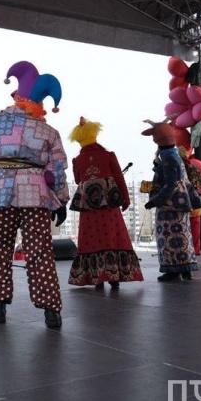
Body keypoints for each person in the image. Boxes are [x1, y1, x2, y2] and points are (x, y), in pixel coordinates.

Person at [0, 61, 69, 329]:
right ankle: (51, 311)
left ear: (17, 95)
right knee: (40, 252)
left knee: (1, 249)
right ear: (40, 103)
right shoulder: (49, 132)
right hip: (36, 196)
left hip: (1, 192)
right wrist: (61, 200)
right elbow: (56, 169)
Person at [67, 117, 144, 290]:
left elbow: (78, 180)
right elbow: (119, 178)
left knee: (91, 239)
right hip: (109, 204)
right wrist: (126, 198)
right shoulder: (108, 155)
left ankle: (97, 277)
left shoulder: (77, 160)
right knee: (112, 238)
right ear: (95, 136)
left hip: (88, 207)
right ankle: (113, 277)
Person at [142, 120, 198, 281]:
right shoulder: (175, 154)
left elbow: (171, 183)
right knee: (182, 235)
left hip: (170, 204)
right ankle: (186, 269)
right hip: (181, 202)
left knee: (168, 236)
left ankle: (173, 271)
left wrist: (155, 200)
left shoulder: (168, 157)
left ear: (157, 140)